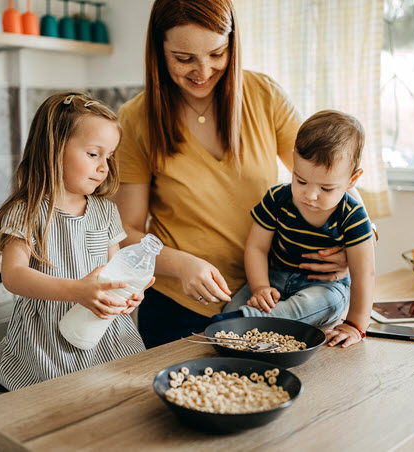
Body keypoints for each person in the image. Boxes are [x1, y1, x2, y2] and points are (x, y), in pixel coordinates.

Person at [114, 0, 351, 349]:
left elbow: (327, 170)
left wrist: (357, 238)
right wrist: (181, 265)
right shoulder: (135, 119)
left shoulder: (264, 95)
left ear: (233, 43)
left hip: (269, 297)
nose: (203, 70)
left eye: (217, 53)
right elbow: (126, 234)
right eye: (184, 58)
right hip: (177, 308)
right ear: (158, 50)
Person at [0, 92, 152, 390]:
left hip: (104, 334)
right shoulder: (28, 211)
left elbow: (113, 270)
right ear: (54, 149)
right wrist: (76, 291)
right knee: (65, 402)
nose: (104, 167)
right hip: (47, 342)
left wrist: (126, 293)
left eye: (109, 156)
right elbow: (13, 275)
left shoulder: (105, 211)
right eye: (93, 154)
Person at [215, 110, 376, 348]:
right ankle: (243, 323)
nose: (310, 195)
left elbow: (364, 273)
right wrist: (260, 287)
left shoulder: (352, 216)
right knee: (234, 305)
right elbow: (257, 248)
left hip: (324, 286)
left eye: (326, 188)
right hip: (274, 276)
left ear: (352, 180)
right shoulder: (277, 198)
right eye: (300, 181)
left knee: (324, 304)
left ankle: (246, 324)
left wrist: (354, 325)